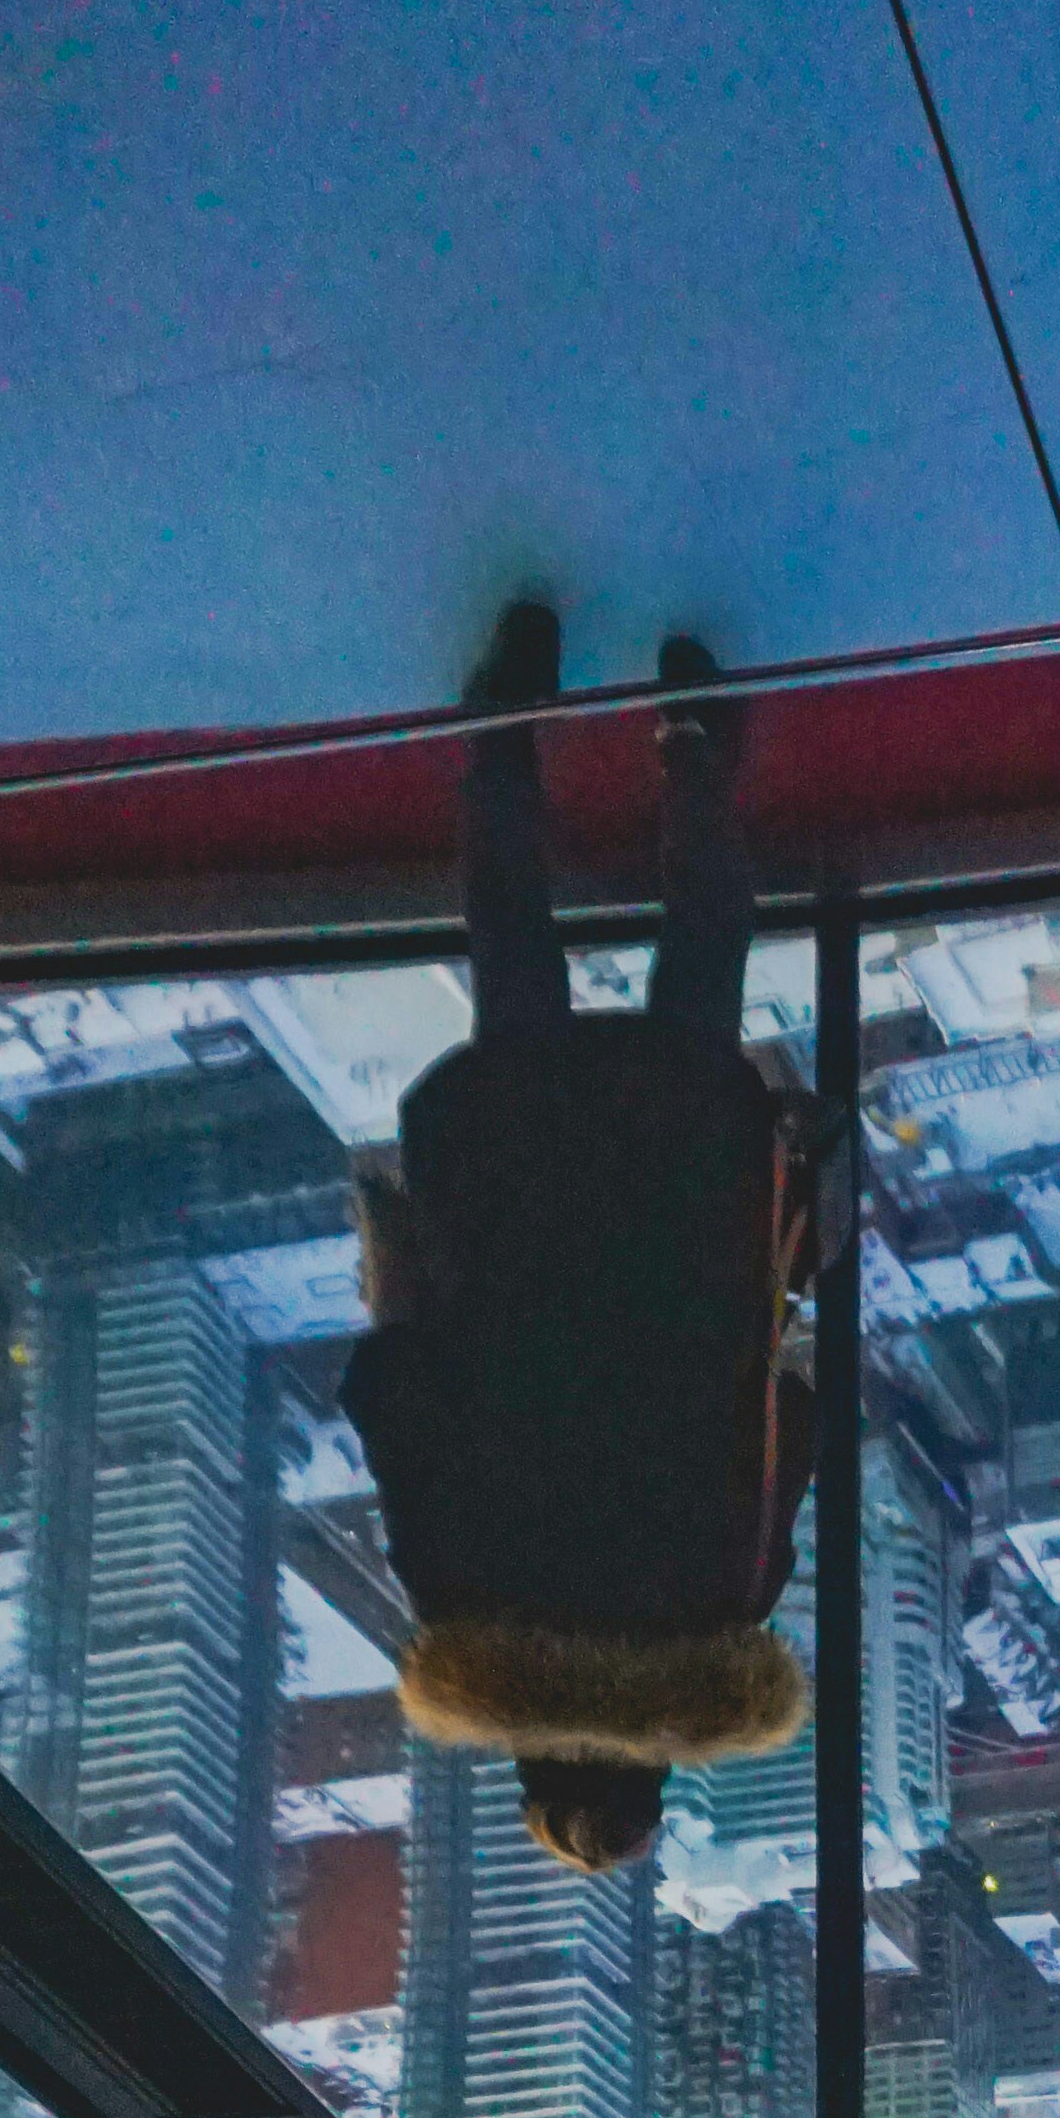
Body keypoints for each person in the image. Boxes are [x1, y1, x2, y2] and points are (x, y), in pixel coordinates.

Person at [341, 600, 816, 1878]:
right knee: (512, 958)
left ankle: (696, 743)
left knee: (704, 966)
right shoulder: (464, 1611)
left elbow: (795, 1418)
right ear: (527, 1764)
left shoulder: (724, 1616)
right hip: (517, 1234)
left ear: (658, 1767)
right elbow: (393, 1397)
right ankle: (505, 727)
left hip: (683, 1236)